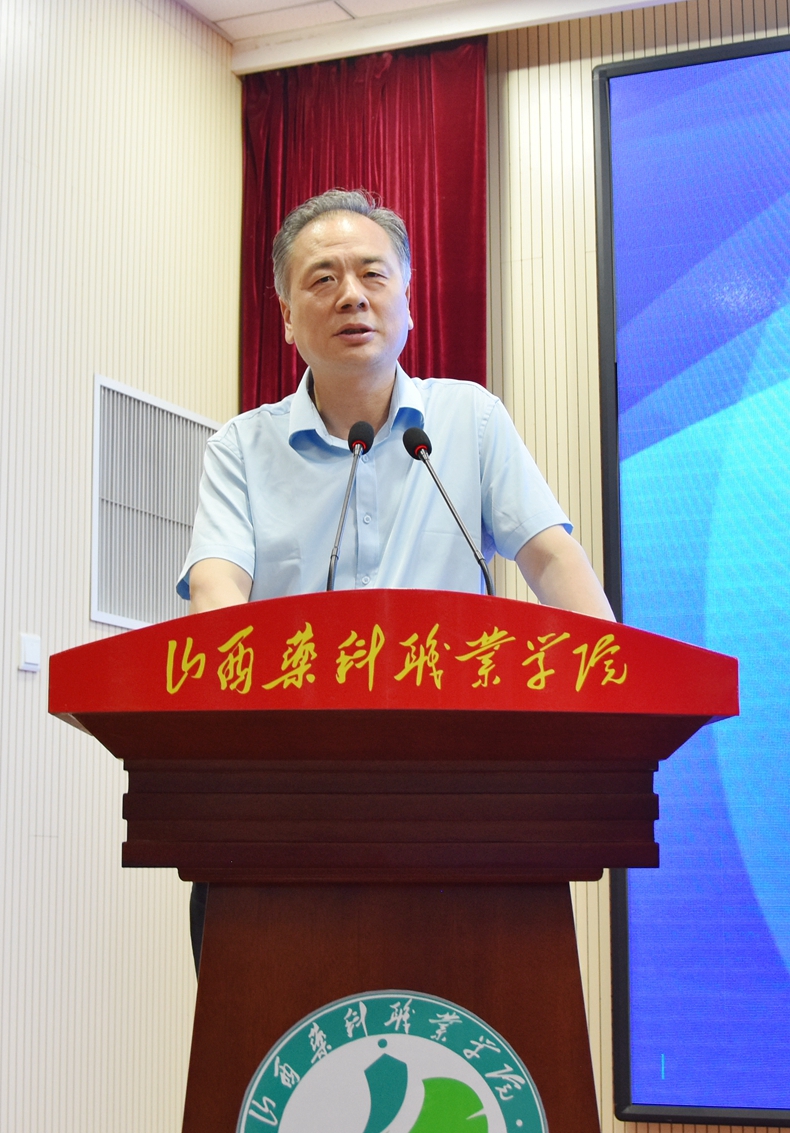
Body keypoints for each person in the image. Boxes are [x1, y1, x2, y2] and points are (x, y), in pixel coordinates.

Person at [178, 189, 614, 971]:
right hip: (282, 805)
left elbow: (551, 560)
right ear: (286, 318)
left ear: (407, 300)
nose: (351, 295)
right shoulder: (240, 448)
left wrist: (614, 690)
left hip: (456, 805)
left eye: (372, 274)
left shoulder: (470, 421)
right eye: (322, 278)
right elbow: (217, 598)